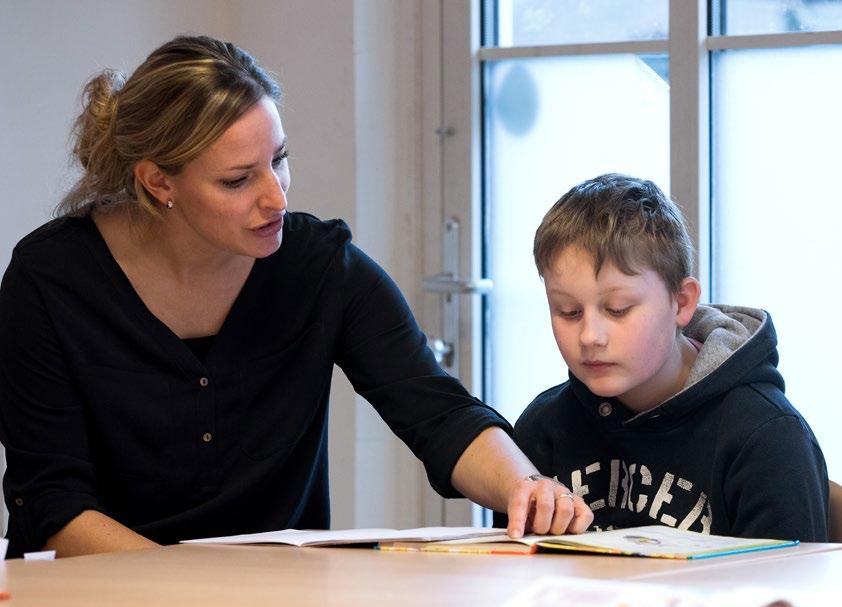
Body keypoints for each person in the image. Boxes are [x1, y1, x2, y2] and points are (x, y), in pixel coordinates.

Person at [0, 35, 592, 558]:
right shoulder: (50, 280)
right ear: (158, 182)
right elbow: (54, 505)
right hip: (98, 600)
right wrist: (186, 590)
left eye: (278, 160)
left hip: (273, 602)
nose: (277, 197)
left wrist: (524, 485)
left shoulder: (319, 266)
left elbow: (439, 414)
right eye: (237, 180)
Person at [511, 173, 828, 542]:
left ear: (681, 302)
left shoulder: (767, 437)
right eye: (568, 311)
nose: (590, 337)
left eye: (617, 309)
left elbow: (790, 593)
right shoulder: (543, 427)